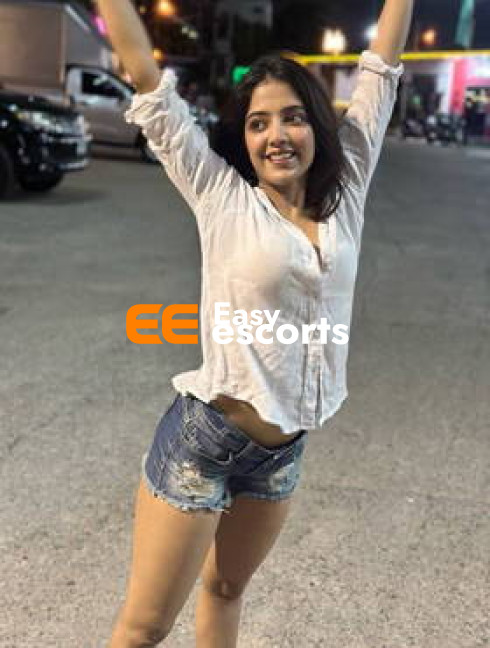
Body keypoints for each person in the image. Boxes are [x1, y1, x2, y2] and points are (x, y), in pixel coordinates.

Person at [96, 0, 414, 646]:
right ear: (242, 138)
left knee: (226, 590)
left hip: (281, 454)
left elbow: (381, 68)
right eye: (258, 122)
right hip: (204, 445)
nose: (277, 136)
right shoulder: (221, 197)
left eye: (293, 117)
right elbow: (148, 81)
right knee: (144, 628)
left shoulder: (347, 191)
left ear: (317, 124)